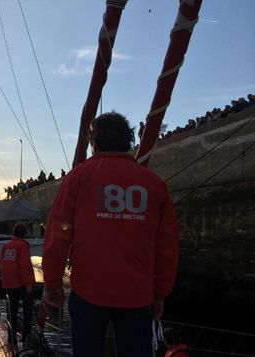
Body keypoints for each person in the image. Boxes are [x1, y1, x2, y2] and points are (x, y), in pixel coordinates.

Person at [41, 111, 179, 357]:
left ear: (94, 144)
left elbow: (58, 236)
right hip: (138, 294)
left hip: (88, 293)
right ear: (128, 142)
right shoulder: (154, 184)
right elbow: (167, 245)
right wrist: (159, 293)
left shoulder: (78, 178)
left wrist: (52, 284)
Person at [0, 222, 36, 345]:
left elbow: (2, 265)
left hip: (9, 284)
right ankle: (26, 338)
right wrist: (29, 283)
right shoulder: (22, 246)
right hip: (21, 284)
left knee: (12, 311)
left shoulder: (6, 246)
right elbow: (25, 266)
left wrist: (5, 281)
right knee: (27, 311)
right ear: (24, 234)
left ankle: (11, 338)